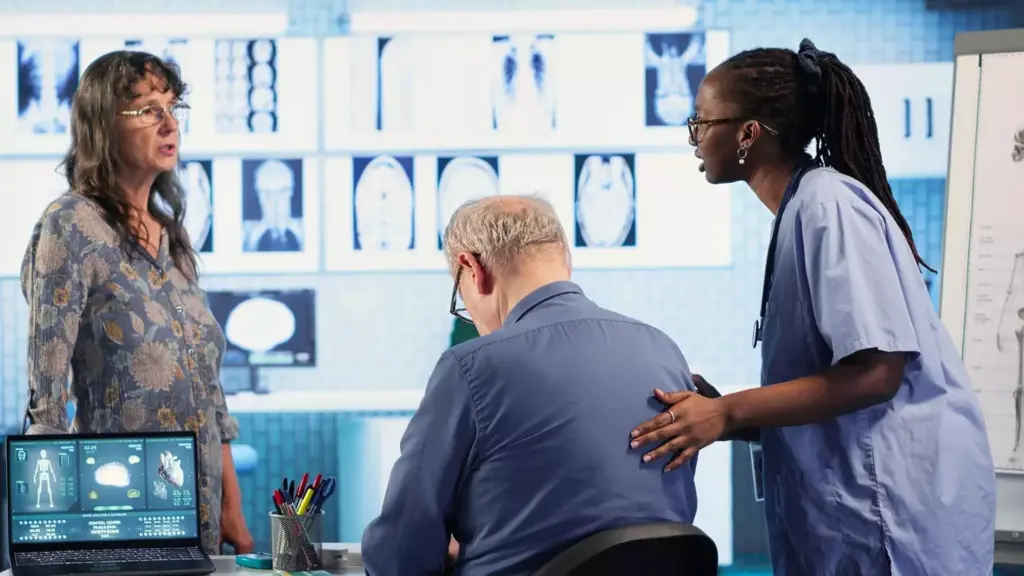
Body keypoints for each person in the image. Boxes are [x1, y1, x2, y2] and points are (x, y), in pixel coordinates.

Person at [628, 39, 997, 575]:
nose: (694, 137)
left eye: (701, 122)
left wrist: (731, 410)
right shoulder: (801, 208)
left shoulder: (828, 204)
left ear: (747, 134)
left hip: (891, 517)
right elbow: (829, 390)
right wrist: (725, 415)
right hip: (854, 514)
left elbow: (877, 374)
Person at [361, 196, 701, 575]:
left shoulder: (472, 367)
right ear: (565, 259)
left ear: (473, 269)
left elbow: (399, 554)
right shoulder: (663, 350)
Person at [20, 50, 254, 555]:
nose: (170, 123)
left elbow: (211, 395)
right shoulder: (71, 225)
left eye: (173, 107)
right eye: (149, 109)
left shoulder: (174, 239)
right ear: (103, 125)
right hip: (122, 511)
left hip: (203, 515)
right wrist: (48, 544)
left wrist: (232, 510)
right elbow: (47, 399)